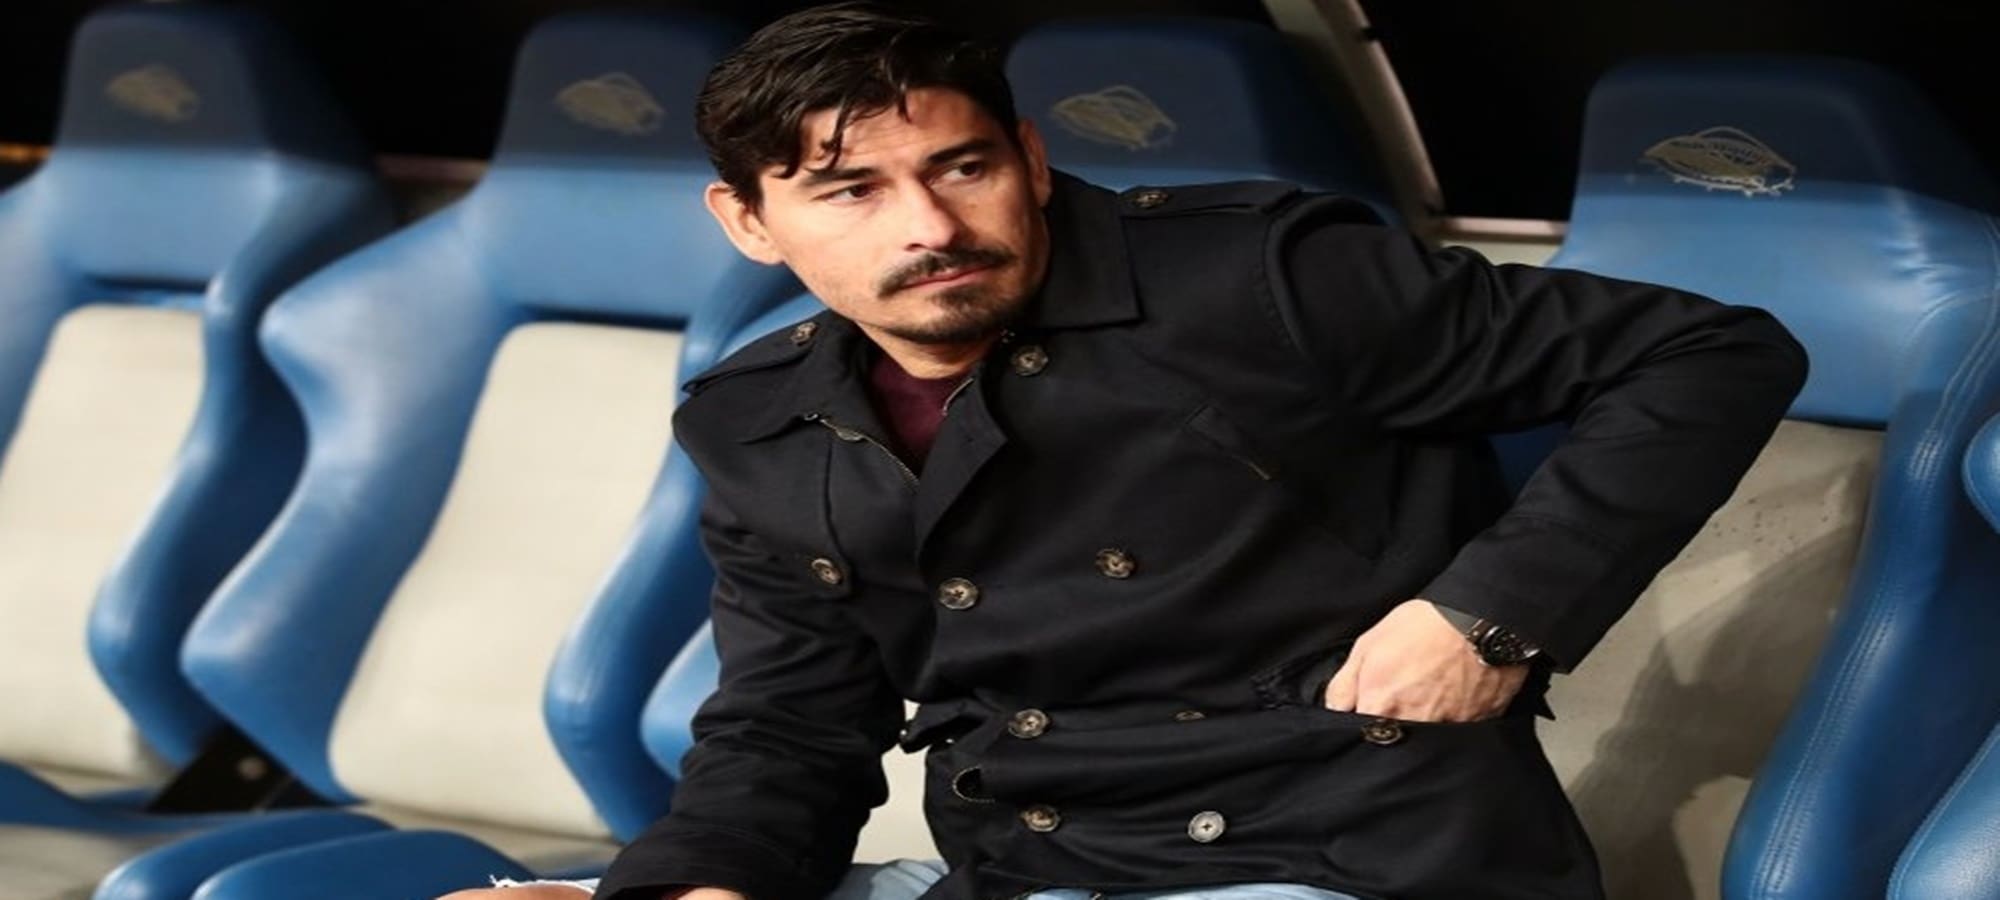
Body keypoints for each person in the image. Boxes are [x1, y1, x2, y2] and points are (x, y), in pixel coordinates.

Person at [444, 4, 1805, 899]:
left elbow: (1708, 353)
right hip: (1026, 868)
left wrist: (1492, 614)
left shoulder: (1257, 279)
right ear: (748, 223)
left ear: (1033, 160)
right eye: (850, 191)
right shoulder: (759, 418)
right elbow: (790, 726)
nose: (929, 226)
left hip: (1341, 859)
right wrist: (702, 884)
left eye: (962, 167)